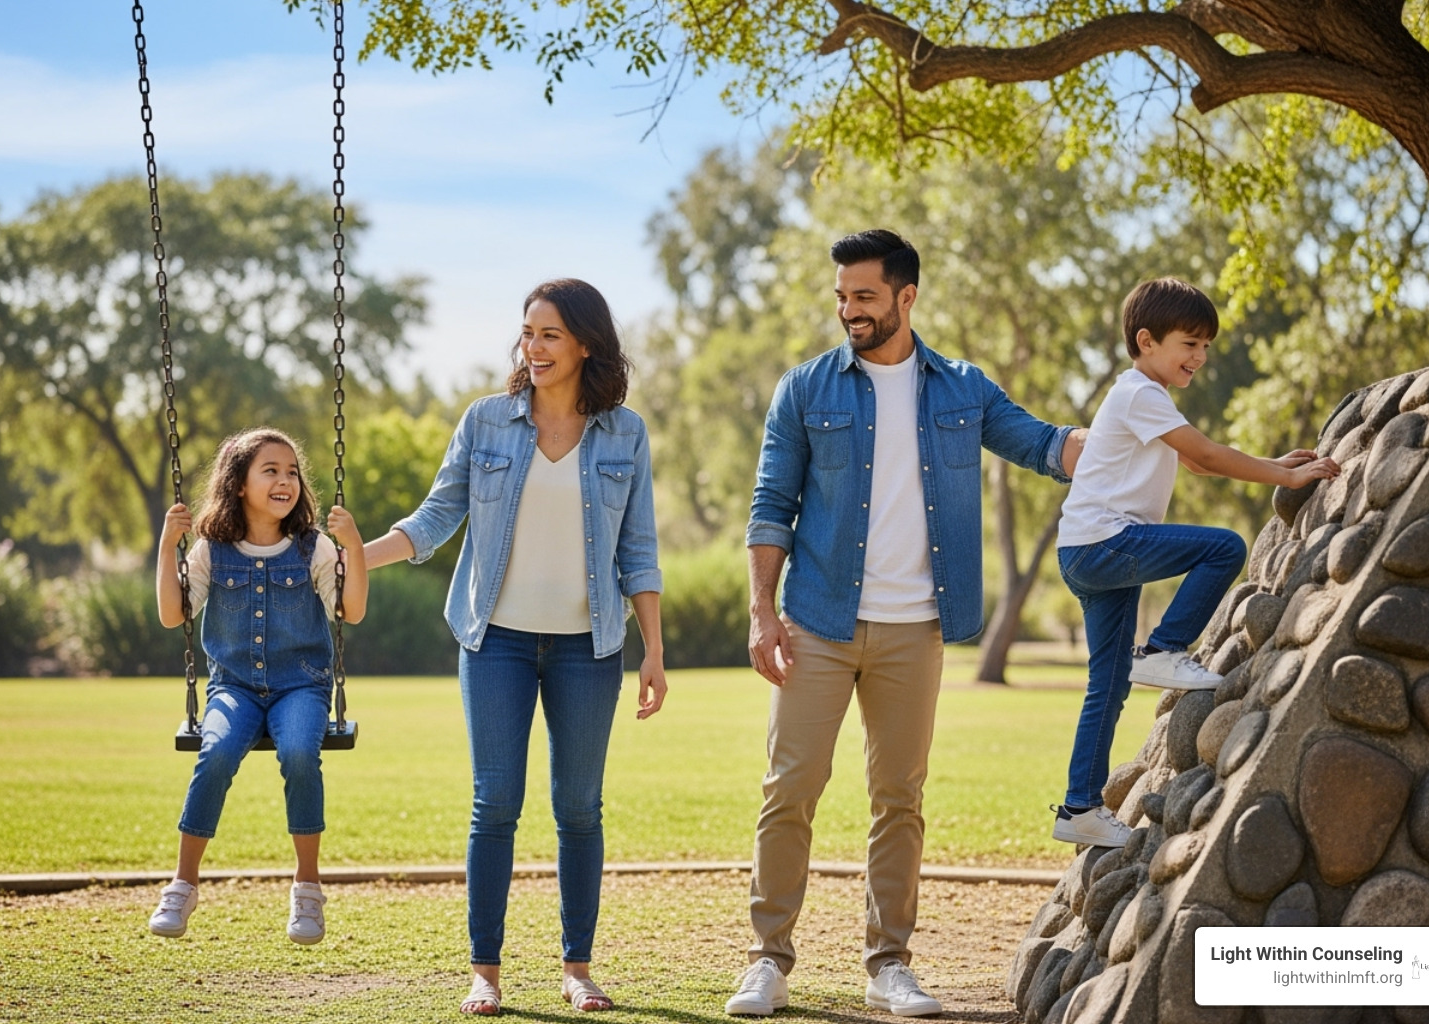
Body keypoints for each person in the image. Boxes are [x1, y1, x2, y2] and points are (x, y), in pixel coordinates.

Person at [730, 229, 1085, 1018]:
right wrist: (763, 612)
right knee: (790, 789)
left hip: (914, 628)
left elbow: (1041, 445)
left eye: (863, 296)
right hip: (818, 620)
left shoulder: (962, 389)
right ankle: (767, 960)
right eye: (841, 297)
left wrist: (1128, 435)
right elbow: (769, 510)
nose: (848, 310)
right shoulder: (806, 388)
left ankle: (889, 963)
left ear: (906, 297)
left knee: (899, 797)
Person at [362, 278, 667, 1016]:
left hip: (589, 647)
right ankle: (485, 974)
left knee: (579, 807)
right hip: (493, 640)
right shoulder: (487, 422)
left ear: (586, 343)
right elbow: (437, 517)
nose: (533, 347)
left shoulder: (624, 433)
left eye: (550, 334)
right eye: (527, 333)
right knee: (494, 803)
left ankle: (577, 969)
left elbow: (639, 549)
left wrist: (653, 650)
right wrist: (351, 559)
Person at [1050, 277, 1339, 848]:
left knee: (1106, 686)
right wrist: (1287, 476)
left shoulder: (1143, 398)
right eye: (1190, 344)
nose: (1200, 357)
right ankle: (1162, 649)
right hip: (1106, 543)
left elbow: (1201, 466)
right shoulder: (1140, 393)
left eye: (1206, 346)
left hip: (1089, 549)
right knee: (1223, 547)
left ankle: (1080, 808)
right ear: (1147, 340)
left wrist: (1271, 461)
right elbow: (1206, 453)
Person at [149, 427, 370, 944]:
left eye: (291, 472)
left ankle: (308, 889)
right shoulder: (211, 550)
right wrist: (166, 548)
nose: (285, 480)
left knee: (298, 751)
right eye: (270, 470)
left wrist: (353, 545)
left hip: (303, 687)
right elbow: (171, 614)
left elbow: (351, 610)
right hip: (235, 688)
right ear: (239, 484)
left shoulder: (312, 548)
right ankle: (182, 885)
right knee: (217, 750)